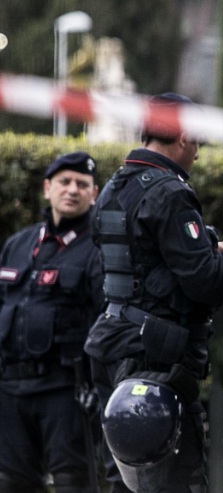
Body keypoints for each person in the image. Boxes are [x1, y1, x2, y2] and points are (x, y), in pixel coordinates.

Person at [84, 93, 223, 492]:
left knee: (125, 479)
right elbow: (204, 281)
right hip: (153, 359)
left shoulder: (115, 185)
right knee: (178, 478)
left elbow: (138, 258)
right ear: (184, 136)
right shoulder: (170, 192)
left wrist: (206, 246)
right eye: (198, 141)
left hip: (112, 342)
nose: (198, 153)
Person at [0, 152, 104, 493]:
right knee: (11, 483)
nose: (72, 190)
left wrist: (98, 386)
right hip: (11, 388)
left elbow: (106, 320)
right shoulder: (18, 245)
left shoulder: (99, 249)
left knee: (73, 481)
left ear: (94, 194)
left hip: (65, 390)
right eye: (64, 182)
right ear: (47, 188)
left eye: (82, 184)